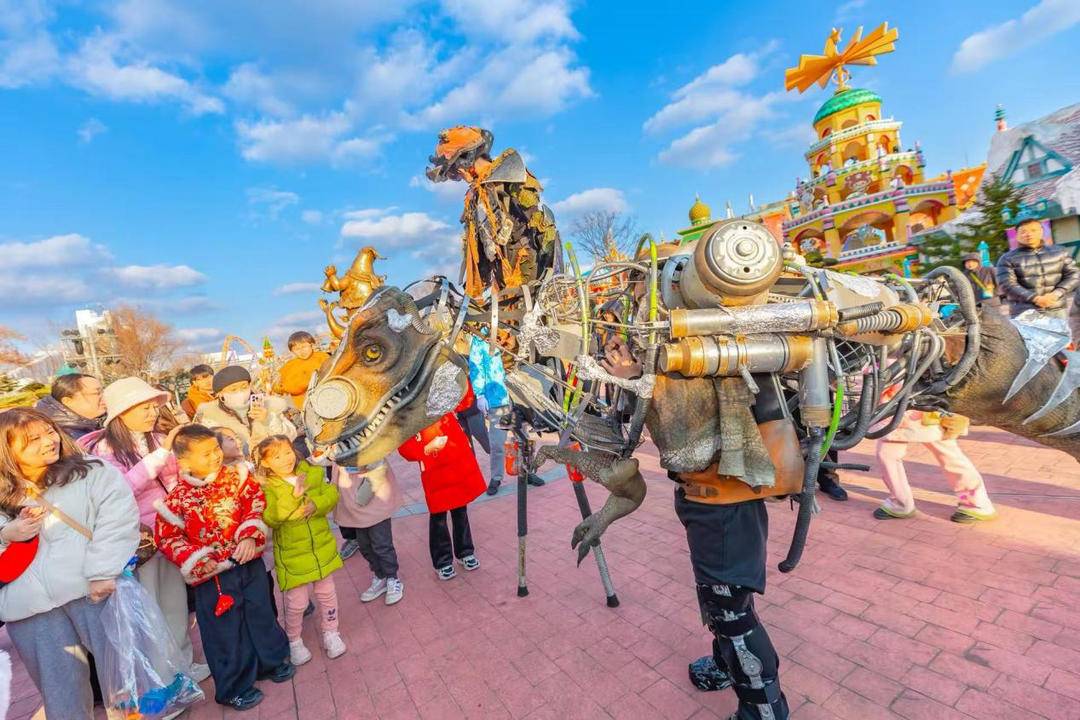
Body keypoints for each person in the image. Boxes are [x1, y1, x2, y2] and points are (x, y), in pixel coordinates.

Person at [0, 408, 140, 720]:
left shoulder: (91, 471)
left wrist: (103, 570)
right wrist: (6, 534)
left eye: (49, 431)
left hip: (92, 589)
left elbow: (117, 519)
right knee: (61, 694)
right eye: (32, 439)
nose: (49, 441)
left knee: (122, 680)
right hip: (30, 608)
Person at [77, 377, 210, 683]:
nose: (153, 412)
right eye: (144, 407)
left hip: (171, 535)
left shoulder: (158, 438)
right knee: (151, 612)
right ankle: (164, 678)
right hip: (141, 542)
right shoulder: (103, 450)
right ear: (122, 412)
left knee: (175, 605)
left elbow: (176, 481)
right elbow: (121, 490)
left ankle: (184, 664)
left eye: (153, 406)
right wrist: (161, 455)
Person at [155, 425, 293, 712]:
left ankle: (270, 661)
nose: (215, 456)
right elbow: (167, 538)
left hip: (248, 561)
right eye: (206, 454)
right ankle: (234, 687)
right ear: (183, 461)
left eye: (216, 449)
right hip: (213, 577)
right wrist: (198, 558)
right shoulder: (176, 499)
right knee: (225, 633)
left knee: (260, 613)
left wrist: (249, 535)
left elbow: (256, 504)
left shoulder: (238, 477)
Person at [254, 436, 346, 666]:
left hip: (321, 548)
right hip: (292, 556)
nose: (286, 459)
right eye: (276, 456)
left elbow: (331, 493)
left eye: (287, 452)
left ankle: (331, 632)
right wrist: (293, 497)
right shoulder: (267, 486)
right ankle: (294, 641)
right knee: (297, 603)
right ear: (265, 463)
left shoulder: (310, 471)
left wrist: (316, 504)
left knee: (327, 594)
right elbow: (271, 517)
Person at [398, 384, 487, 580]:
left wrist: (462, 376)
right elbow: (404, 446)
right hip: (434, 468)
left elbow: (465, 401)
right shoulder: (409, 408)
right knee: (438, 516)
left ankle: (465, 552)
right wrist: (426, 449)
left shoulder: (442, 396)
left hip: (455, 462)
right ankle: (443, 561)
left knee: (460, 510)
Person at [874, 408, 996, 523]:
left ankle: (976, 503)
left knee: (949, 456)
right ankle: (900, 503)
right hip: (894, 412)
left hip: (930, 411)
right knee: (887, 455)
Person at [333, 461, 403, 605]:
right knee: (365, 545)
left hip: (373, 495)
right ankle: (380, 575)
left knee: (381, 544)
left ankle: (392, 578)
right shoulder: (336, 449)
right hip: (353, 499)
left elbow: (379, 458)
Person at [194, 366, 296, 453]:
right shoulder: (210, 414)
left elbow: (291, 435)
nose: (240, 392)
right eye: (233, 389)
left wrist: (268, 420)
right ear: (220, 394)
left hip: (274, 462)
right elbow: (205, 447)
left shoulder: (270, 406)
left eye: (244, 387)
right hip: (236, 467)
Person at [996, 217, 1080, 320]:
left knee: (1061, 331)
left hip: (1056, 308)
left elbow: (1074, 275)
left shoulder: (1059, 252)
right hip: (1025, 312)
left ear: (1041, 232)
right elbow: (1007, 284)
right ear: (1017, 235)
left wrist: (1056, 293)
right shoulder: (1007, 258)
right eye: (1023, 231)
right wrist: (1035, 298)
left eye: (1033, 230)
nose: (1028, 234)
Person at [34, 373, 106, 440]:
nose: (104, 396)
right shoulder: (64, 437)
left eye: (103, 392)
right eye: (96, 393)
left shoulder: (96, 423)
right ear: (67, 401)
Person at [273, 332, 330, 410]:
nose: (301, 351)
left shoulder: (322, 357)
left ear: (311, 345)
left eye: (304, 347)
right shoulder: (289, 366)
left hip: (327, 394)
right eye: (297, 349)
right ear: (292, 351)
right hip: (306, 405)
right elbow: (283, 385)